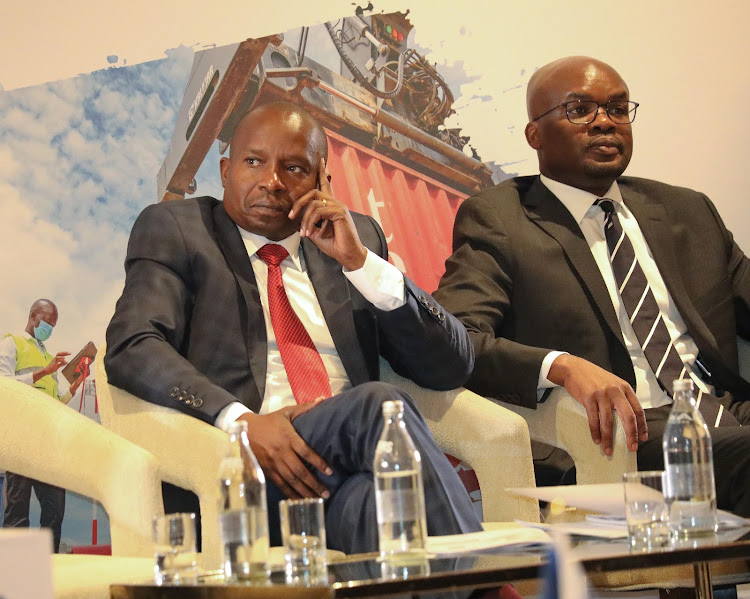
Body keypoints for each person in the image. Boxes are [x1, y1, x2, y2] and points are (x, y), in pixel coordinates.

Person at [105, 100, 482, 553]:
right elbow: (133, 344)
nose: (271, 181)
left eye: (295, 168)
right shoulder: (178, 229)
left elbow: (450, 367)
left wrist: (360, 263)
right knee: (381, 407)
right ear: (225, 171)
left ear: (323, 180)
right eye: (253, 161)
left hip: (341, 474)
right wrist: (240, 421)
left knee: (382, 508)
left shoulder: (353, 238)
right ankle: (493, 582)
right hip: (241, 467)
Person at [435, 56, 750, 514]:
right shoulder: (500, 219)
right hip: (625, 433)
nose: (605, 123)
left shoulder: (687, 210)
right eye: (580, 110)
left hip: (729, 412)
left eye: (618, 109)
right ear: (534, 135)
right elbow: (459, 339)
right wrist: (561, 366)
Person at [0, 298, 84, 551]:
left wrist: (74, 387)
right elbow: (4, 385)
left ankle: (47, 574)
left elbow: (54, 402)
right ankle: (17, 582)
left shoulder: (48, 356)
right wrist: (42, 373)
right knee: (18, 513)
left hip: (47, 443)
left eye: (53, 326)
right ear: (33, 316)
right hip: (21, 440)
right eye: (47, 322)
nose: (49, 328)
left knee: (54, 512)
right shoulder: (11, 342)